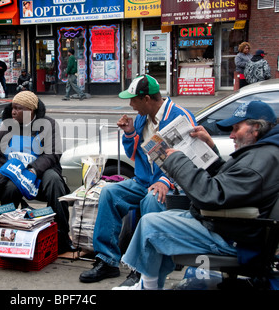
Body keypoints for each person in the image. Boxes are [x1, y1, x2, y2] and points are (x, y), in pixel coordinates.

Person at [115, 100, 279, 290]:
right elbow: (230, 184)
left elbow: (210, 195)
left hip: (231, 234)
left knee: (150, 225)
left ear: (256, 128)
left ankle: (148, 286)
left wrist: (176, 160)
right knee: (158, 218)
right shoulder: (263, 153)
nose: (232, 135)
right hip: (234, 226)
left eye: (237, 128)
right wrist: (211, 150)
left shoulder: (260, 159)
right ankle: (148, 283)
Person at [79, 74, 197, 283]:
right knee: (109, 192)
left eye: (133, 100)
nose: (131, 105)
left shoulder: (180, 118)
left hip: (171, 185)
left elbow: (190, 160)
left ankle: (144, 268)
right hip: (143, 181)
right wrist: (130, 133)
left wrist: (166, 181)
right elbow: (136, 154)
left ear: (147, 99)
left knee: (152, 199)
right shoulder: (143, 118)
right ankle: (107, 260)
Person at [0, 91, 75, 254]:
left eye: (18, 108)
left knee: (54, 181)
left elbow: (53, 153)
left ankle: (61, 236)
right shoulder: (7, 126)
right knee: (10, 188)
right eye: (12, 108)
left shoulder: (49, 125)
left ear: (30, 110)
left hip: (40, 171)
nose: (13, 112)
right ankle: (8, 235)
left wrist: (33, 169)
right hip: (13, 172)